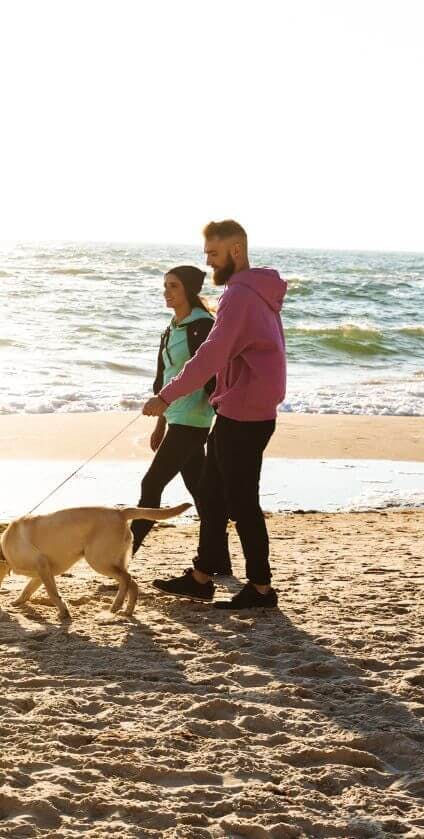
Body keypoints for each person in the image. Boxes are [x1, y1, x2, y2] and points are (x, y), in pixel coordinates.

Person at [141, 220, 288, 610]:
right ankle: (202, 577)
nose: (208, 263)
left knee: (241, 502)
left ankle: (260, 588)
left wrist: (166, 397)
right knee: (211, 493)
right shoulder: (257, 292)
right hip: (241, 406)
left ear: (235, 251)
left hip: (245, 411)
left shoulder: (241, 295)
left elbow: (210, 354)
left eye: (213, 254)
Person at [131, 266, 221, 556]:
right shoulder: (170, 328)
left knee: (151, 483)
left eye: (174, 286)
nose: (166, 292)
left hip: (195, 418)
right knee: (201, 492)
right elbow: (163, 377)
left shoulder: (204, 326)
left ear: (190, 290)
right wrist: (160, 424)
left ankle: (125, 555)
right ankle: (218, 559)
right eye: (165, 285)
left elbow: (209, 374)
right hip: (175, 417)